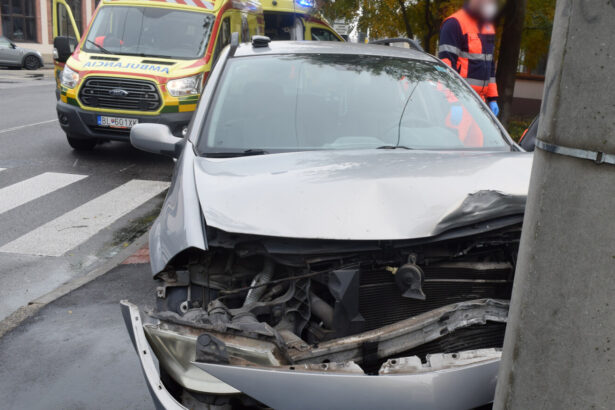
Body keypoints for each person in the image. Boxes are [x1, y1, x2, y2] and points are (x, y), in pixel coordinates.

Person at [439, 0, 500, 116]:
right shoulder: (454, 24)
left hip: (480, 104)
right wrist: (453, 102)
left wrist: (492, 98)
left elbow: (490, 66)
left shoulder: (488, 27)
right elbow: (446, 67)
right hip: (460, 100)